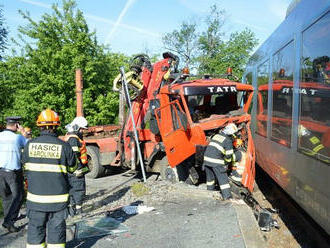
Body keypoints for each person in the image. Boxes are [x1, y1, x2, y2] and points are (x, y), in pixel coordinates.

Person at [22, 109, 77, 248]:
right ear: (56, 126)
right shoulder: (64, 146)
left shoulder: (29, 145)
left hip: (35, 200)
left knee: (35, 232)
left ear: (39, 126)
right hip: (58, 201)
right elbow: (73, 169)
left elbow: (25, 169)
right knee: (56, 234)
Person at [0, 116, 28, 232]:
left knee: (6, 197)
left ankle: (9, 222)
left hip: (0, 172)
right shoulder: (18, 138)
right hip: (13, 173)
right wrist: (23, 133)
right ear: (16, 125)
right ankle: (8, 221)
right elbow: (29, 145)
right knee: (19, 196)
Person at [202, 123, 238, 200]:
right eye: (234, 134)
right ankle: (228, 198)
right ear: (231, 134)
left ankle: (209, 195)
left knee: (210, 180)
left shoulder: (216, 135)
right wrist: (226, 164)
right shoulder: (228, 141)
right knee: (223, 180)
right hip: (216, 161)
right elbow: (229, 155)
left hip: (206, 160)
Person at [64, 116, 89, 215]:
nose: (83, 131)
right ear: (77, 128)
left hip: (70, 170)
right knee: (78, 189)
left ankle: (72, 210)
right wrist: (78, 169)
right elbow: (74, 156)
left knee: (71, 190)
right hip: (76, 170)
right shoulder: (74, 139)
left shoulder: (69, 136)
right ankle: (78, 211)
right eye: (82, 129)